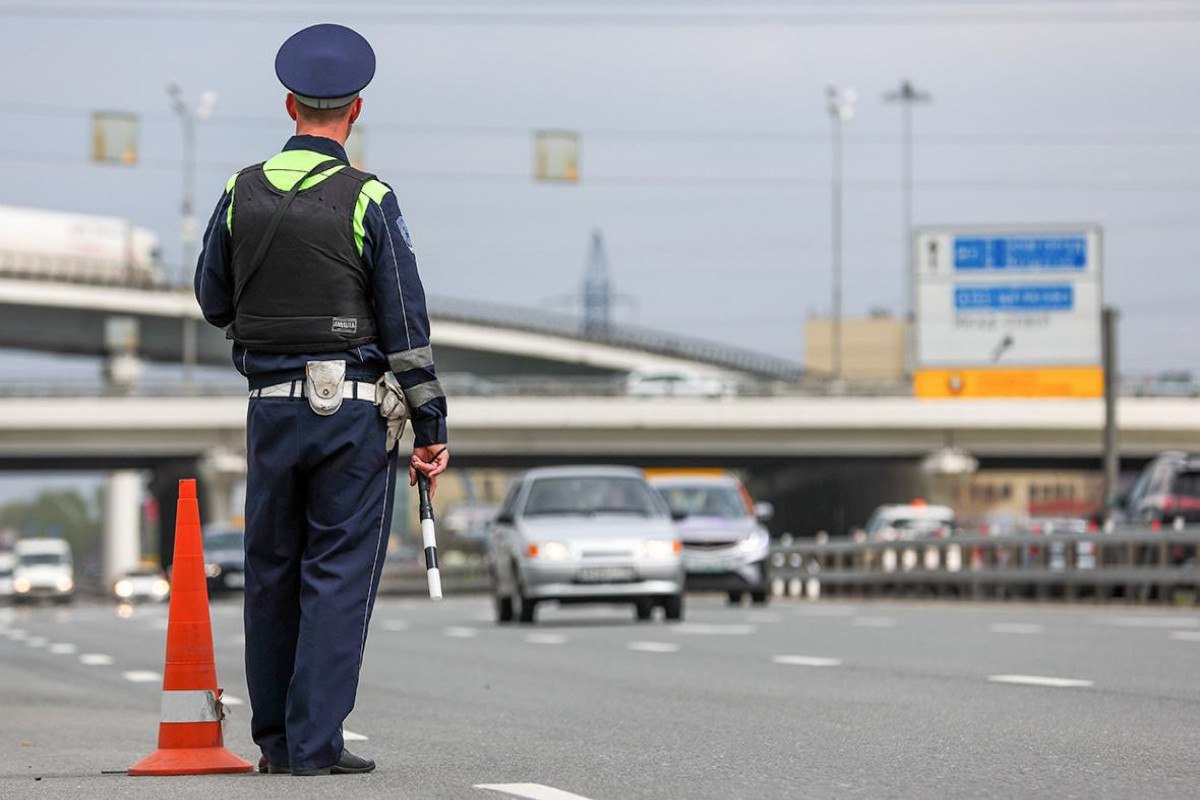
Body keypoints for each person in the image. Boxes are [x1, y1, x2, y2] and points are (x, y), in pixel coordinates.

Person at [194, 23, 449, 777]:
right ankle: (314, 746)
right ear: (356, 110)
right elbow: (406, 325)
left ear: (289, 104)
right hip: (351, 416)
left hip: (269, 408)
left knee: (270, 570)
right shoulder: (370, 197)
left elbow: (212, 299)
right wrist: (429, 427)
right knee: (336, 574)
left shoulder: (239, 192)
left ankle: (274, 744)